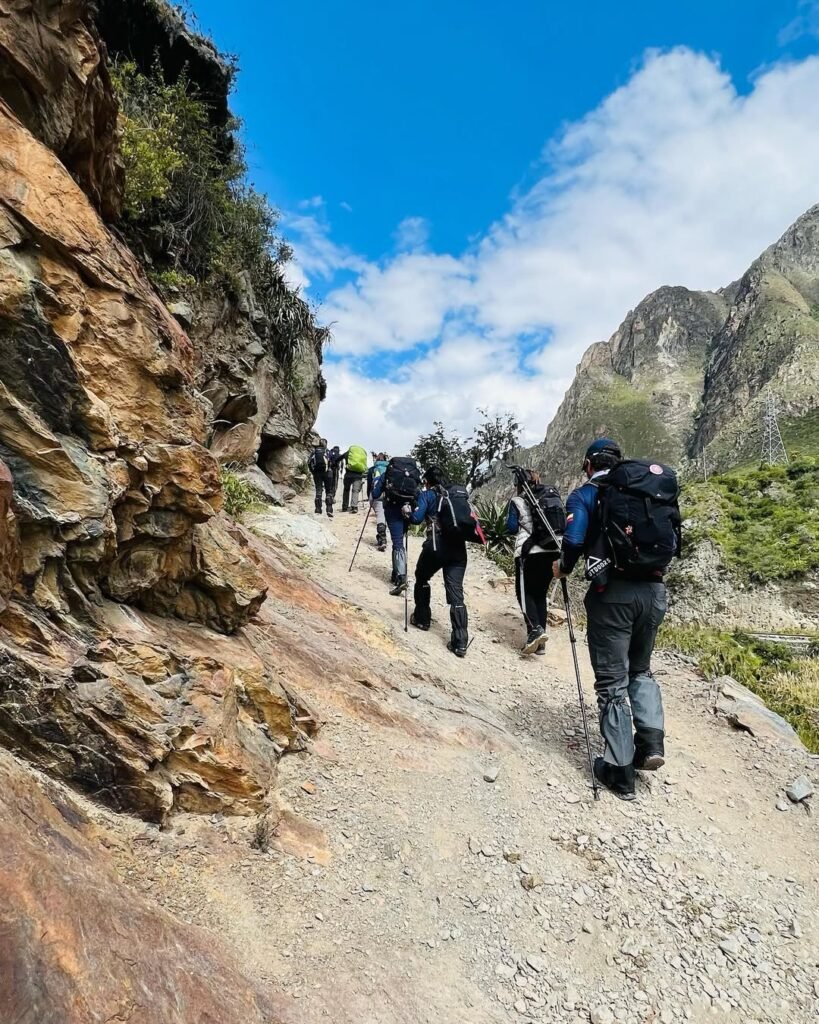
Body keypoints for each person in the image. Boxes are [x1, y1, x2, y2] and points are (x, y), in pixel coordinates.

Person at [553, 438, 668, 801]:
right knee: (641, 669)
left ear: (588, 463)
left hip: (613, 595)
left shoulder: (586, 493)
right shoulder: (645, 491)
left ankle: (618, 771)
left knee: (611, 682)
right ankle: (650, 743)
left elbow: (573, 538)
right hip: (654, 592)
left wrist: (563, 568)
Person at [406, 465, 469, 658]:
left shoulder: (428, 495)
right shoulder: (455, 495)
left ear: (427, 481)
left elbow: (416, 518)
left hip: (436, 546)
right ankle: (460, 642)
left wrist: (407, 512)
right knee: (456, 593)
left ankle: (422, 618)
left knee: (422, 577)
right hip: (458, 549)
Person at [506, 470, 559, 655]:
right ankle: (540, 643)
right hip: (551, 550)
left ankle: (535, 630)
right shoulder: (548, 497)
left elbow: (511, 528)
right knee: (539, 594)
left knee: (524, 593)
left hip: (528, 552)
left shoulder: (517, 501)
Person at [367, 453, 389, 551]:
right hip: (389, 495)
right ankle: (382, 536)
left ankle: (382, 538)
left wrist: (370, 498)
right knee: (385, 515)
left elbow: (369, 486)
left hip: (377, 495)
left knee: (380, 514)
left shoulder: (372, 469)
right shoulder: (391, 469)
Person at [308, 439, 334, 517]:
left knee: (318, 490)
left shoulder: (314, 452)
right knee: (328, 491)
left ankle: (318, 509)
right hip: (328, 473)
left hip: (317, 473)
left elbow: (309, 463)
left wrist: (313, 472)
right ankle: (329, 509)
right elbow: (333, 462)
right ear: (325, 444)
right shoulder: (328, 452)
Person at [340, 444, 368, 513]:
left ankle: (344, 507)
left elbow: (338, 459)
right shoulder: (361, 455)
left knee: (346, 490)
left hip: (348, 474)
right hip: (358, 475)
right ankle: (354, 507)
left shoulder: (348, 453)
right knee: (355, 491)